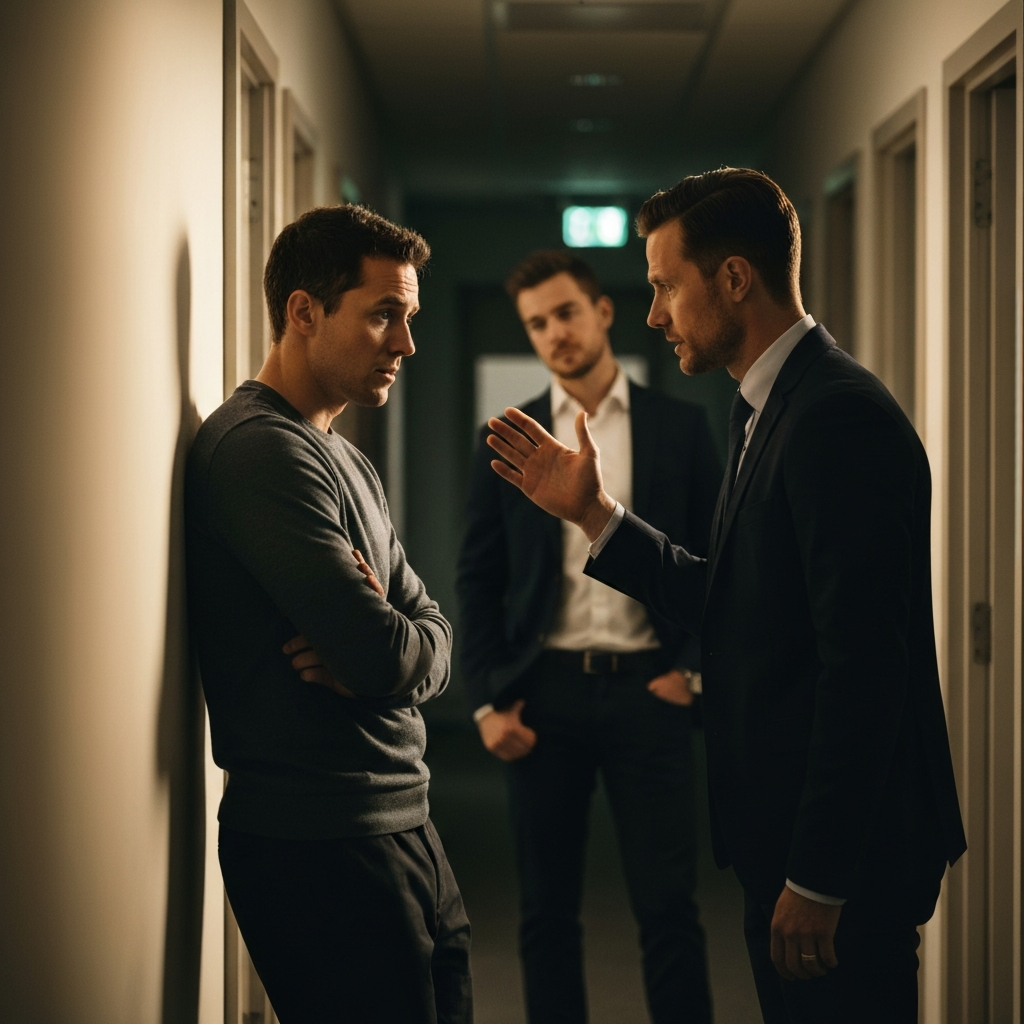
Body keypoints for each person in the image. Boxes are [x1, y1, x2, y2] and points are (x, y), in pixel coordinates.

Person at [483, 169, 966, 1024]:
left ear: (734, 278)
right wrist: (595, 515)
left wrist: (819, 874)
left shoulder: (834, 417)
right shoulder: (763, 404)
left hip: (838, 861)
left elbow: (865, 671)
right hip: (785, 835)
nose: (654, 313)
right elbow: (738, 596)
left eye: (667, 285)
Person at [185, 205, 472, 1024]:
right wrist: (389, 643)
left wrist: (392, 642)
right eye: (383, 314)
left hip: (401, 819)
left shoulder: (343, 455)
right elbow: (383, 653)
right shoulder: (257, 450)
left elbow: (429, 637)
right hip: (321, 839)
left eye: (409, 318)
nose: (405, 343)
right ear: (303, 311)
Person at [457, 250, 720, 1024]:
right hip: (545, 694)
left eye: (566, 313)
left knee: (670, 911)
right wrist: (486, 701)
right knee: (544, 914)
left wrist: (692, 673)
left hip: (652, 688)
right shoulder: (507, 440)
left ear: (603, 313)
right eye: (536, 323)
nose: (553, 334)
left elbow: (717, 566)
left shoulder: (681, 428)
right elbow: (477, 577)